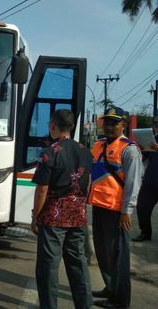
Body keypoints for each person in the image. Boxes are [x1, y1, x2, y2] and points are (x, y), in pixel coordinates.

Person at [30, 109, 93, 309]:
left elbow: (42, 189)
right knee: (79, 265)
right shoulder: (85, 151)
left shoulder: (49, 154)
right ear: (72, 126)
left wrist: (35, 216)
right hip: (78, 214)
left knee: (48, 267)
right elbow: (89, 181)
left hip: (54, 216)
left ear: (52, 126)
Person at [89, 107, 143, 309]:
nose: (110, 126)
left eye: (115, 123)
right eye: (107, 123)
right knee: (103, 251)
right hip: (99, 206)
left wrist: (126, 211)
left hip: (116, 211)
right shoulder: (98, 145)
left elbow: (133, 183)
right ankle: (110, 288)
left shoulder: (130, 150)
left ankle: (120, 301)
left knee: (118, 255)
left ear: (124, 125)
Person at [133, 119, 158, 242]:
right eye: (155, 125)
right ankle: (145, 232)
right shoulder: (154, 140)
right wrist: (142, 149)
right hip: (151, 181)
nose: (156, 127)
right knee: (142, 207)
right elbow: (143, 158)